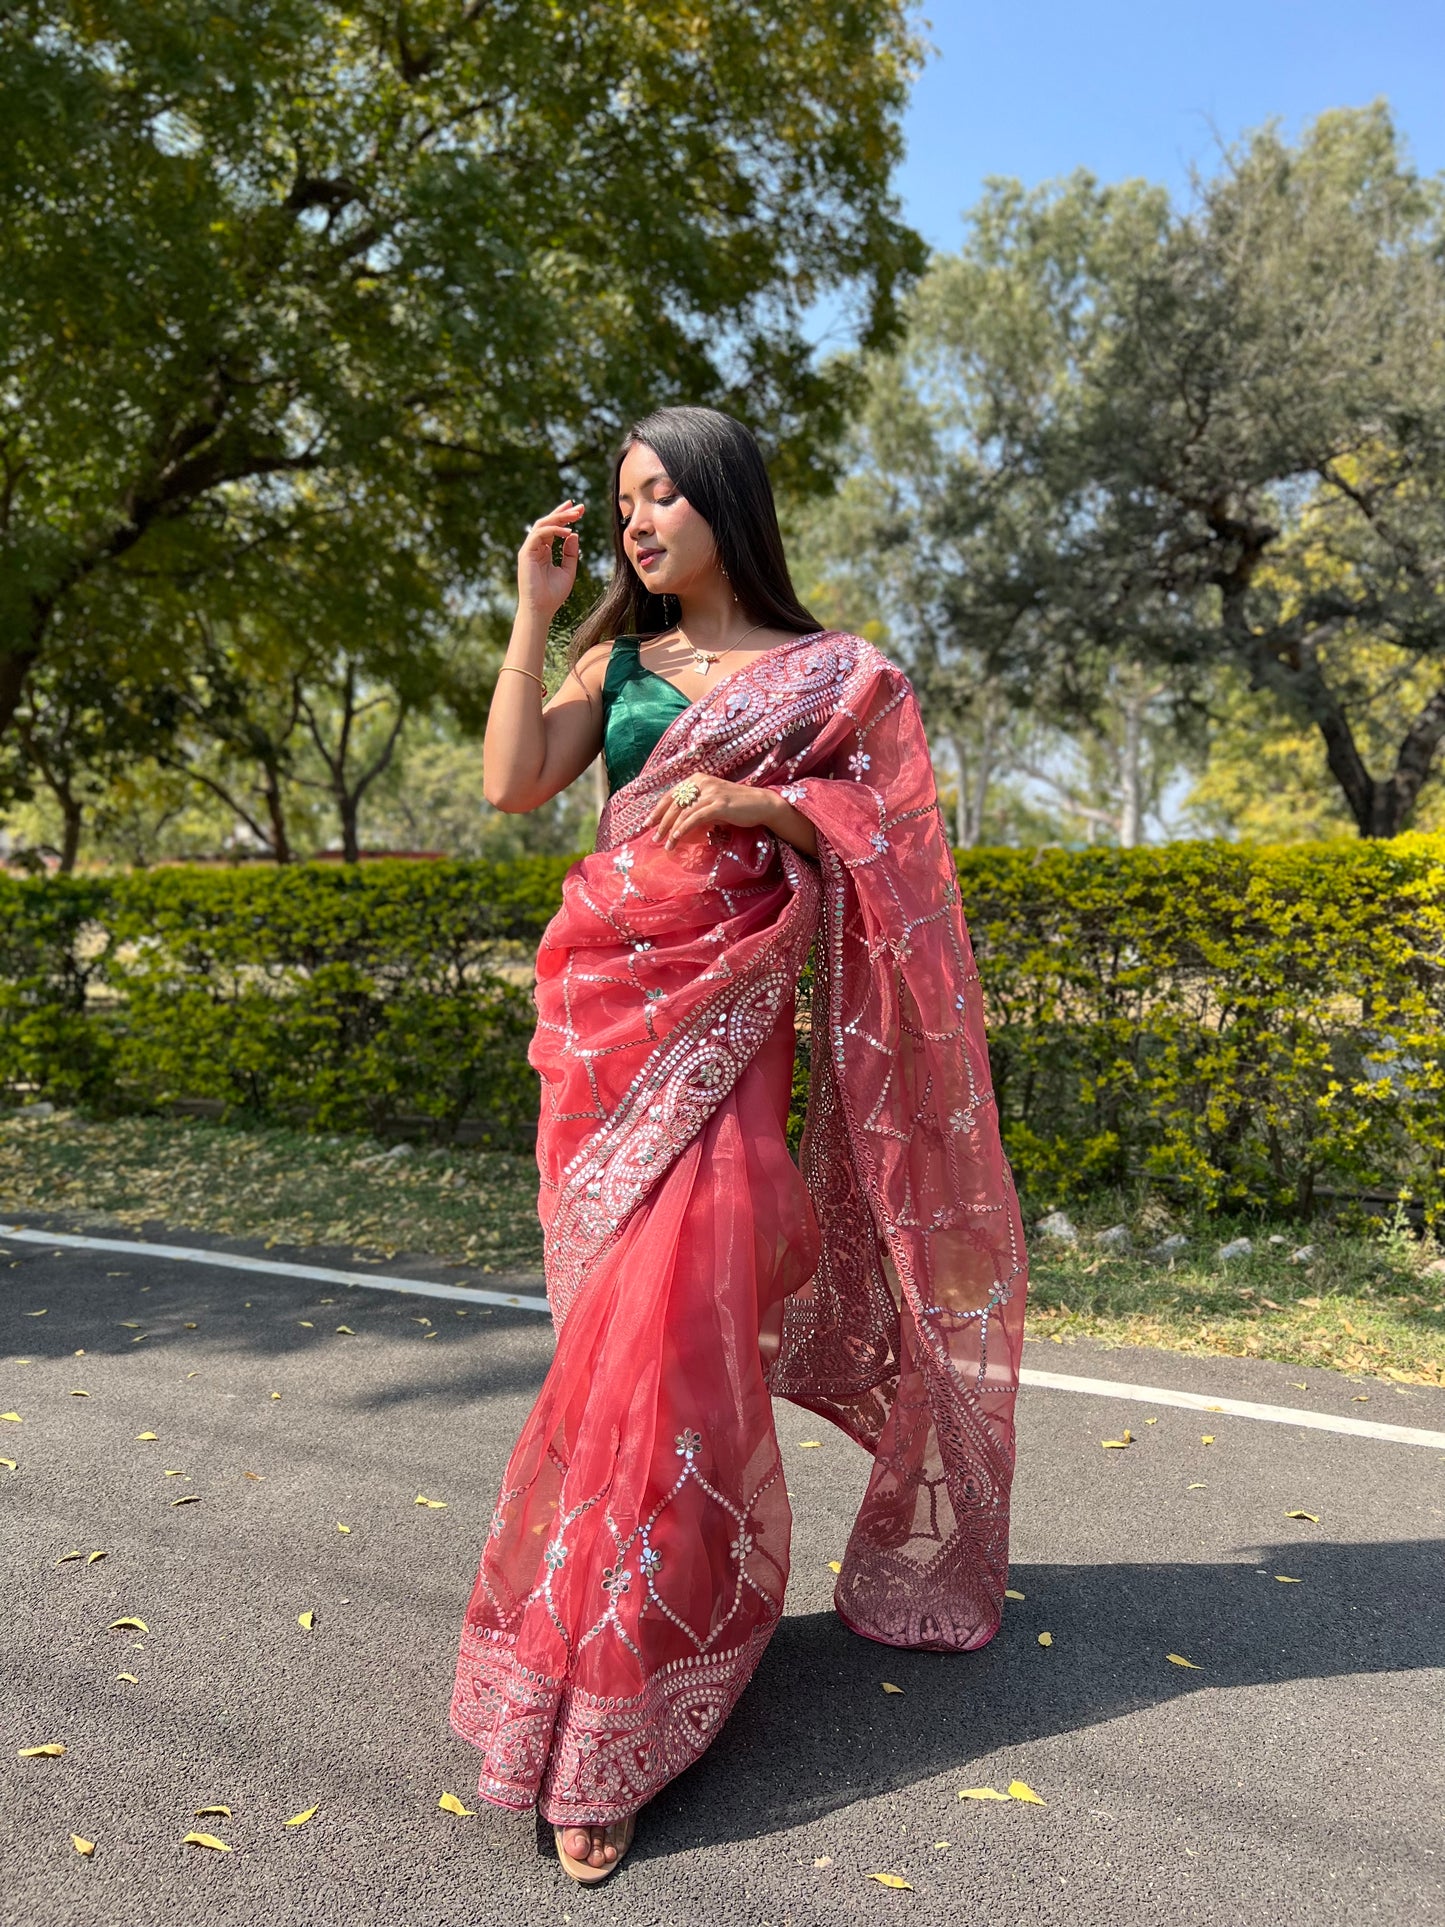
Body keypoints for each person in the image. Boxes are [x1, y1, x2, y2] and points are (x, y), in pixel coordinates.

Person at [449, 405, 1028, 1885]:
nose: (635, 521)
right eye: (621, 502)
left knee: (676, 1355)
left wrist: (769, 799)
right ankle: (609, 1650)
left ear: (723, 499)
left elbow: (896, 843)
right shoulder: (614, 664)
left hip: (728, 1048)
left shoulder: (834, 676)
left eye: (660, 496)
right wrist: (531, 615)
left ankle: (624, 1706)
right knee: (609, 1361)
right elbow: (516, 784)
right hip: (607, 1033)